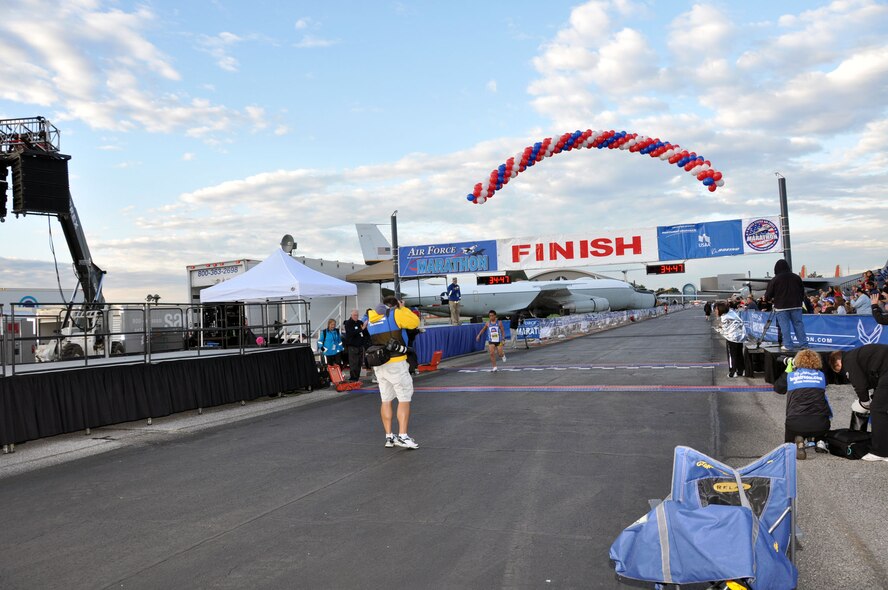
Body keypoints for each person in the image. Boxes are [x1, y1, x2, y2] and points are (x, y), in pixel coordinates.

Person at [367, 296, 421, 449]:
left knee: (386, 400)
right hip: (396, 363)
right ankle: (403, 436)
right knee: (404, 398)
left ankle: (389, 436)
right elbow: (414, 322)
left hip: (379, 364)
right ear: (395, 305)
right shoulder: (396, 313)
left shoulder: (371, 316)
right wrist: (402, 308)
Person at [829, 344, 888, 461]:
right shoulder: (857, 355)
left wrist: (864, 403)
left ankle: (880, 452)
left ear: (838, 363)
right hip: (884, 370)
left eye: (840, 371)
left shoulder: (848, 361)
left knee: (877, 409)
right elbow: (873, 380)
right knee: (882, 406)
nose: (844, 373)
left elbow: (860, 385)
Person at [773, 349, 832, 460]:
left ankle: (796, 442)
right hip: (821, 425)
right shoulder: (821, 376)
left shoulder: (790, 376)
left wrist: (787, 370)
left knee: (789, 443)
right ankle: (820, 440)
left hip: (795, 423)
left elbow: (778, 389)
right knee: (817, 410)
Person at [764, 259, 808, 351]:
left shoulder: (775, 279)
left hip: (781, 306)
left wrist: (770, 299)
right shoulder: (796, 277)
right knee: (798, 324)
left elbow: (768, 295)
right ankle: (804, 344)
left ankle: (788, 345)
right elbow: (802, 291)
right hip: (796, 305)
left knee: (785, 326)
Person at [714, 301, 745, 378]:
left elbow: (724, 330)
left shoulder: (725, 317)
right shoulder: (732, 313)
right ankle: (741, 371)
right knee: (739, 354)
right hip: (740, 337)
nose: (715, 311)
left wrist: (718, 329)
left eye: (716, 309)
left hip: (731, 338)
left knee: (732, 355)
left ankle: (732, 372)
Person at [342, 309, 366, 381]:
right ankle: (353, 378)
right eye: (354, 315)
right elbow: (350, 333)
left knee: (359, 363)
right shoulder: (348, 323)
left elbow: (364, 332)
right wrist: (360, 329)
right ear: (351, 315)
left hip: (360, 346)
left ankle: (357, 378)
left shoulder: (360, 322)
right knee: (353, 364)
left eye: (357, 315)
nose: (356, 316)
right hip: (352, 346)